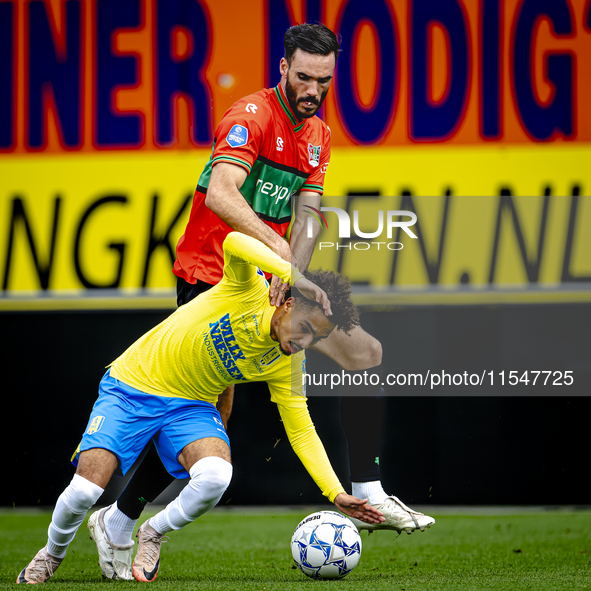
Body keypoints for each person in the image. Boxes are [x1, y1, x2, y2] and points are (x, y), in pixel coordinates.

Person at [89, 22, 434, 581]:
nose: (313, 89)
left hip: (273, 273)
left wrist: (291, 267)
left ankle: (368, 487)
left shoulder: (319, 134)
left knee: (364, 352)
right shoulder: (249, 116)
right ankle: (122, 519)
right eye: (303, 77)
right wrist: (286, 262)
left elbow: (308, 216)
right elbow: (223, 195)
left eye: (323, 80)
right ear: (283, 69)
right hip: (213, 275)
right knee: (208, 417)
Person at [17, 232, 385, 585]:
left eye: (316, 338)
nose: (305, 342)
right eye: (304, 327)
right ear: (288, 301)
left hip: (190, 406)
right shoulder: (248, 288)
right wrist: (293, 273)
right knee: (83, 492)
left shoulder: (287, 363)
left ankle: (152, 532)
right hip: (135, 384)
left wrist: (335, 492)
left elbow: (302, 430)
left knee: (215, 476)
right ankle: (52, 553)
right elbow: (233, 242)